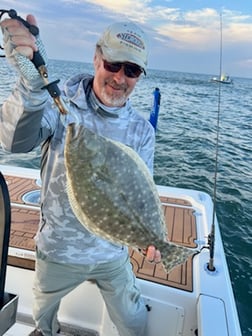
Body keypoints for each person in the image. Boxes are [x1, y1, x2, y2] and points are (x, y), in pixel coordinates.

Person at [0, 14, 161, 336]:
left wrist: (151, 235)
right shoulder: (61, 106)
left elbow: (142, 189)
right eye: (113, 64)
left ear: (139, 76)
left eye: (131, 70)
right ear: (97, 57)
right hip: (58, 248)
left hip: (111, 252)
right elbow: (14, 142)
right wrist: (32, 91)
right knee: (43, 319)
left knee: (133, 322)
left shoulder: (141, 130)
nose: (119, 78)